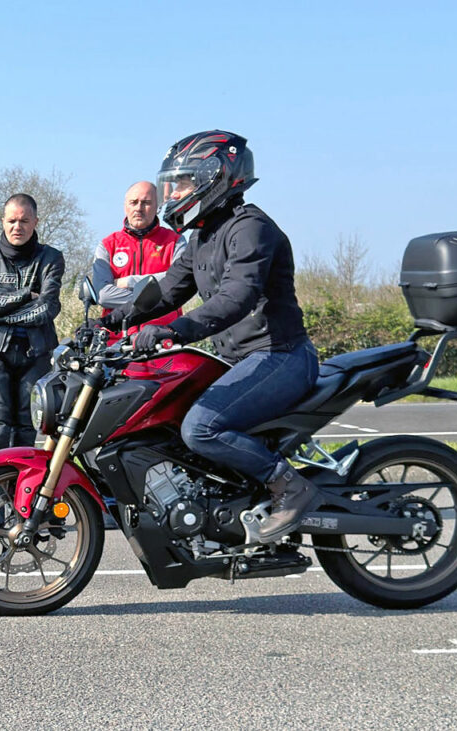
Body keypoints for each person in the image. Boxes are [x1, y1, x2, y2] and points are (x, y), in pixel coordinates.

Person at [103, 131, 319, 542]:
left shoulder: (251, 229)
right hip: (241, 359)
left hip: (279, 356)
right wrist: (112, 321)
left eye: (183, 182)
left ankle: (289, 487)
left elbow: (236, 298)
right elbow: (167, 290)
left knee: (200, 427)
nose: (174, 192)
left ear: (216, 178)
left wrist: (173, 330)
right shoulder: (202, 235)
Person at [0, 193, 64, 455]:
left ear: (35, 222)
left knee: (26, 427)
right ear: (2, 221)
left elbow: (47, 308)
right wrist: (23, 296)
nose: (17, 227)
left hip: (36, 352)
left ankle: (18, 492)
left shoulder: (51, 258)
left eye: (24, 220)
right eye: (11, 220)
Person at [92, 181, 185, 336]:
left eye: (146, 203)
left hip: (163, 340)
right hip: (116, 342)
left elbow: (179, 282)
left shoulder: (175, 241)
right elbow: (103, 295)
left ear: (157, 206)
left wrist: (129, 282)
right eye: (133, 202)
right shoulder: (107, 245)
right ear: (125, 206)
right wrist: (155, 297)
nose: (138, 208)